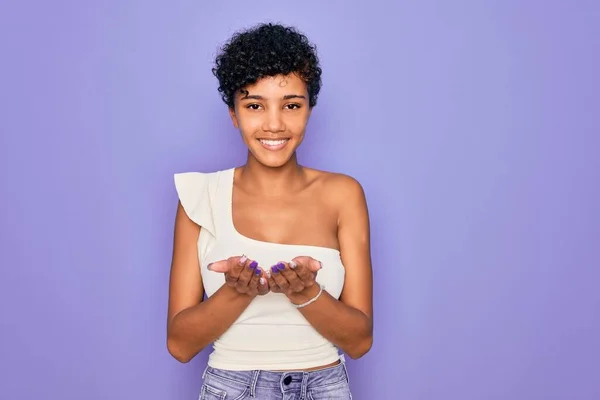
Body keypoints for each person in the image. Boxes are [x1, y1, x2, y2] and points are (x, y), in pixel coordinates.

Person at [166, 22, 373, 399]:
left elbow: (359, 341)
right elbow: (180, 345)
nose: (274, 124)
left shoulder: (344, 194)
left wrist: (305, 293)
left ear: (309, 109)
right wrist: (236, 292)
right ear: (233, 113)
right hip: (231, 388)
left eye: (291, 105)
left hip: (325, 387)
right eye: (254, 106)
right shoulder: (201, 197)